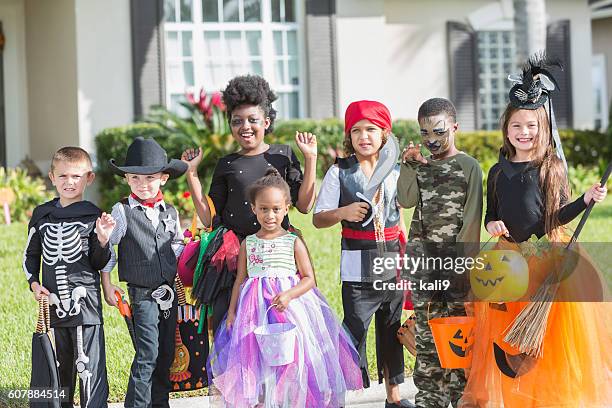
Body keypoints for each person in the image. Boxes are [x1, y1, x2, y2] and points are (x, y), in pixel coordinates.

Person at [460, 54, 611, 408]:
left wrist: (586, 199)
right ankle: (514, 397)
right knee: (505, 329)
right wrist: (491, 224)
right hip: (508, 258)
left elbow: (557, 215)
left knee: (551, 337)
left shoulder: (551, 167)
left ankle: (549, 396)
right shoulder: (497, 172)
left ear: (543, 128)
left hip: (548, 258)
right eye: (517, 126)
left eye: (531, 126)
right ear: (506, 129)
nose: (524, 133)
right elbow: (491, 214)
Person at [208, 169, 362, 407]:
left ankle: (291, 400)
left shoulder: (293, 241)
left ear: (287, 208)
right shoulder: (249, 243)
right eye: (264, 209)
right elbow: (240, 279)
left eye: (276, 209)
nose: (270, 215)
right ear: (254, 209)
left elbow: (309, 278)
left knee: (291, 358)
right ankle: (264, 402)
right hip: (255, 310)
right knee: (258, 361)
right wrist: (232, 312)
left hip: (288, 310)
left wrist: (290, 294)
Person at [182, 74, 317, 333]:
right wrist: (192, 173)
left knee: (278, 324)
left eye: (253, 120)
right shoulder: (227, 164)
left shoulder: (282, 155)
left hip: (276, 254)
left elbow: (304, 205)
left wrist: (310, 159)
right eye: (237, 121)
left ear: (266, 122)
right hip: (233, 256)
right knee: (231, 323)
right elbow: (209, 217)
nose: (245, 126)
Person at [313, 100, 412, 408]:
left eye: (371, 129)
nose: (363, 136)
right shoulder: (339, 172)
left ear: (385, 134)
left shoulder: (396, 172)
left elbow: (402, 214)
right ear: (349, 136)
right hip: (357, 263)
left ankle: (394, 398)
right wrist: (343, 211)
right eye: (356, 130)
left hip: (391, 261)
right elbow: (318, 218)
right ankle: (337, 396)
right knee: (354, 328)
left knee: (391, 328)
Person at [397, 98, 482, 408]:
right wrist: (407, 164)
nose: (431, 139)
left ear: (454, 128)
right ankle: (430, 399)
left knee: (459, 334)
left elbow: (472, 218)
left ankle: (462, 398)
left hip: (456, 266)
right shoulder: (421, 164)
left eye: (438, 131)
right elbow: (405, 201)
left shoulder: (468, 166)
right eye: (424, 133)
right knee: (427, 335)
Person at [23, 147, 116, 408]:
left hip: (86, 307)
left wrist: (102, 239)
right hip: (54, 306)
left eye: (76, 176)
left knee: (89, 369)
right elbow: (30, 255)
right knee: (61, 370)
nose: (69, 182)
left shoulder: (93, 215)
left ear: (89, 178)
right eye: (62, 176)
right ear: (52, 177)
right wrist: (33, 283)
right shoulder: (42, 216)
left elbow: (99, 262)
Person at [102, 137, 188, 408]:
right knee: (147, 354)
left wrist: (178, 258)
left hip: (169, 294)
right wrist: (107, 284)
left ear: (163, 178)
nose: (142, 184)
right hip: (142, 296)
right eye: (135, 178)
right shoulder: (123, 211)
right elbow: (110, 249)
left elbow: (175, 243)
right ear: (127, 179)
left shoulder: (170, 212)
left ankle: (160, 404)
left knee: (165, 354)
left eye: (149, 178)